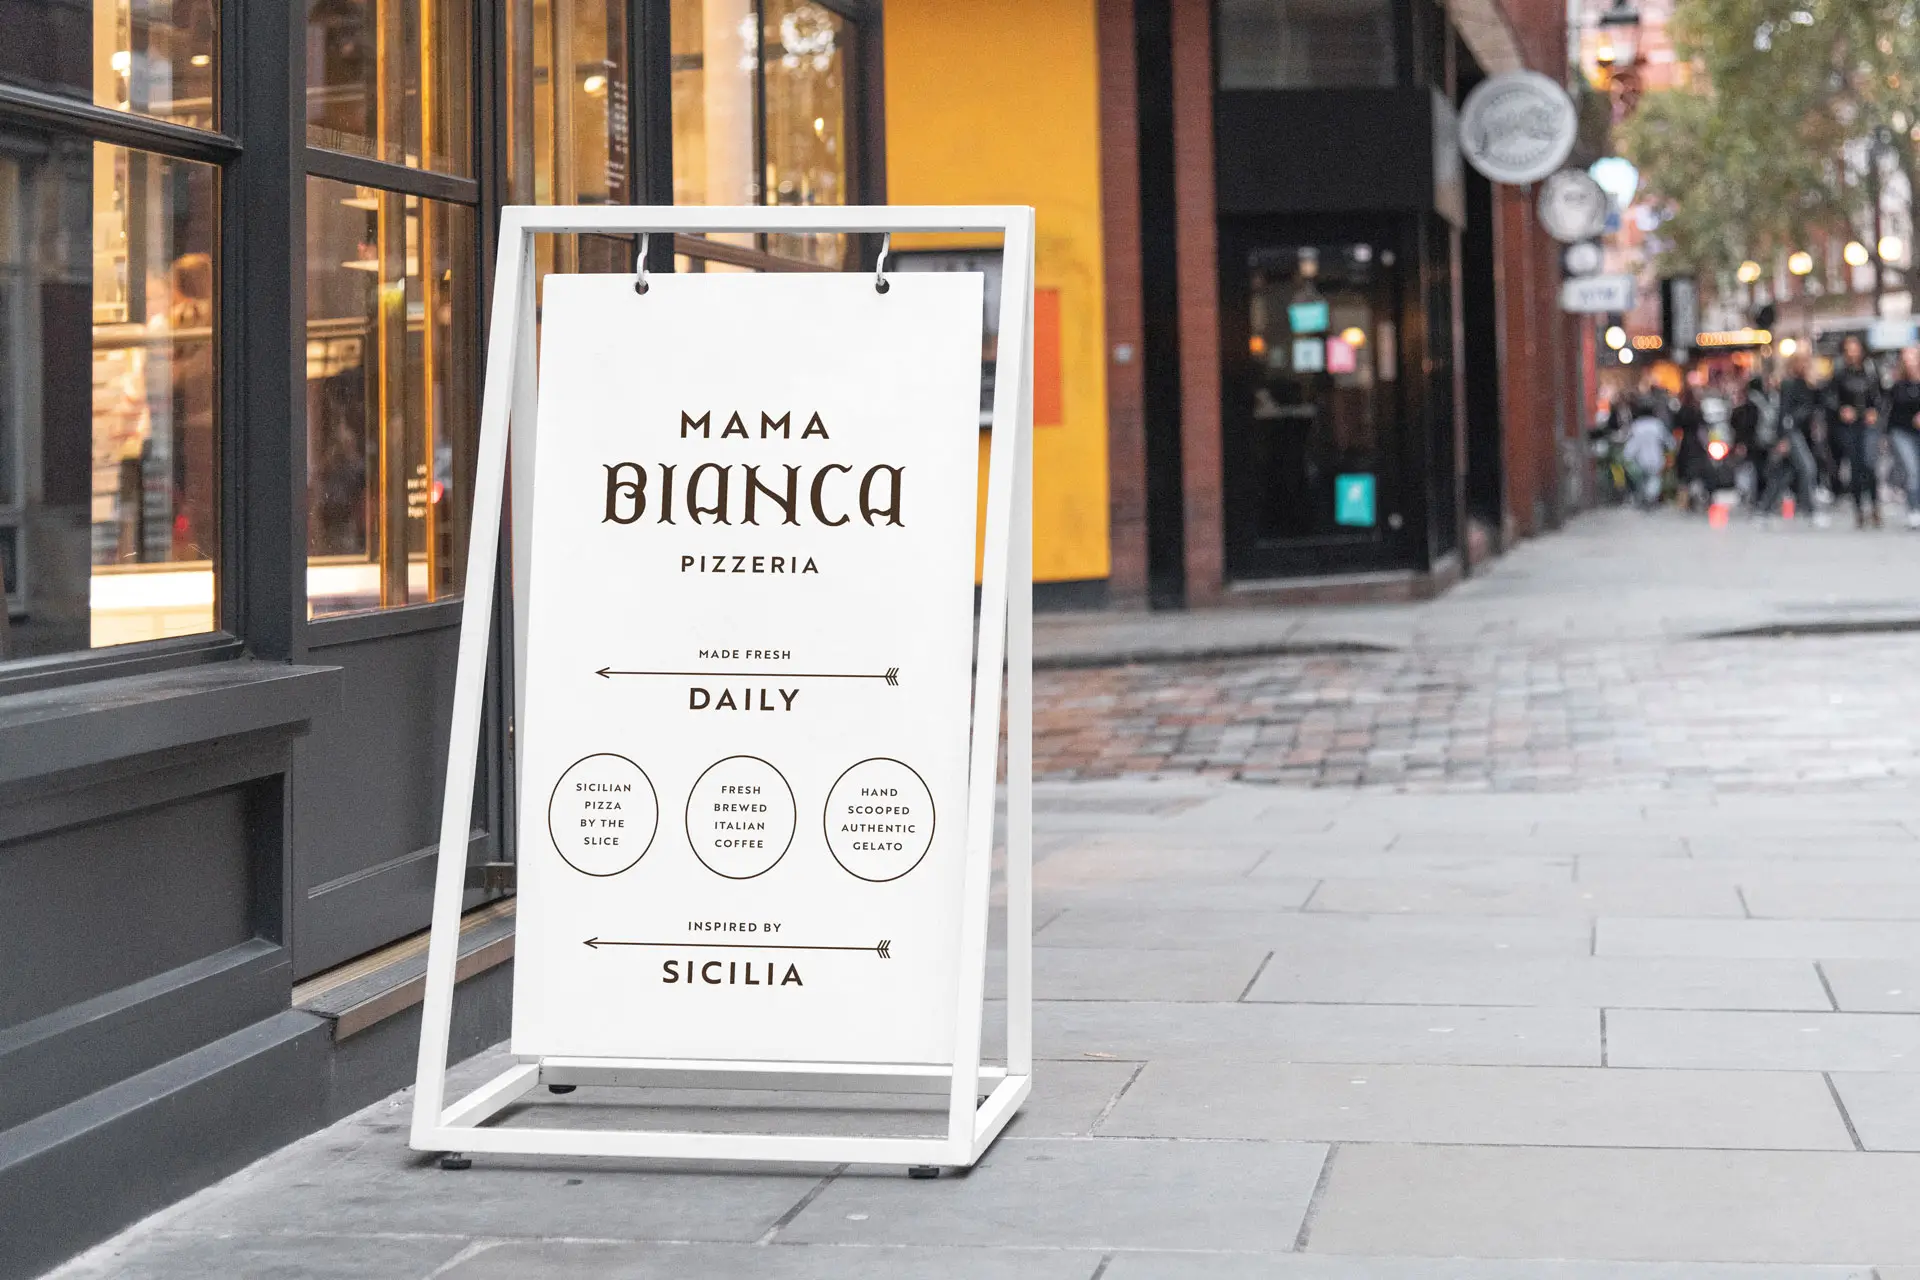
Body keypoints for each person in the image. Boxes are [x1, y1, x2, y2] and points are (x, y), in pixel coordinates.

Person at [1825, 334, 1885, 527]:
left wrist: (1875, 411)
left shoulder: (1871, 369)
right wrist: (1842, 410)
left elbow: (1881, 395)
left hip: (1868, 423)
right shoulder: (1839, 371)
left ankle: (1875, 504)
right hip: (1848, 425)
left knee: (1869, 463)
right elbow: (1830, 396)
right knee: (1855, 466)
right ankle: (1859, 508)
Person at [1776, 353, 1827, 525]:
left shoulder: (1811, 386)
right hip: (1793, 432)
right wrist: (1782, 437)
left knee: (1786, 472)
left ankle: (1764, 509)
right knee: (1807, 468)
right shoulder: (1789, 384)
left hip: (1806, 434)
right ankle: (1811, 510)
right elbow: (1783, 412)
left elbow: (1820, 404)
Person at [1887, 345, 1920, 528]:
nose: (1909, 361)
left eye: (1913, 356)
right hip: (1901, 432)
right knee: (1912, 471)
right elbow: (1894, 409)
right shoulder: (1897, 383)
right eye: (1906, 358)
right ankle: (1914, 510)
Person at [1622, 396, 1672, 508]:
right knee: (1654, 478)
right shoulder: (1657, 425)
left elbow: (1632, 443)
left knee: (1642, 479)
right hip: (1656, 458)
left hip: (1641, 458)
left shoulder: (1637, 426)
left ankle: (1643, 497)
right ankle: (1651, 497)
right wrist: (1671, 448)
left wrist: (1627, 455)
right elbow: (1667, 441)